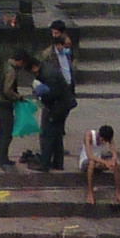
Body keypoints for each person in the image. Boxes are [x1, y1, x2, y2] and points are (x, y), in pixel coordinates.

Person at [33, 23, 76, 171]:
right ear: (59, 45)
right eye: (66, 46)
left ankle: (51, 161)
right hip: (55, 97)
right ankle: (51, 158)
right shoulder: (48, 56)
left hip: (62, 96)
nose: (68, 48)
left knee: (53, 131)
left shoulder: (68, 54)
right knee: (49, 130)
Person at [0, 47, 36, 169]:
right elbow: (7, 90)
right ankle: (2, 158)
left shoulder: (5, 65)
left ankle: (1, 157)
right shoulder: (11, 71)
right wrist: (18, 97)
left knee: (3, 131)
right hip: (4, 104)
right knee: (6, 132)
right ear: (20, 61)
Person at [82, 121, 120, 207]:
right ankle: (90, 193)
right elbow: (90, 155)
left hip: (98, 161)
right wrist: (105, 162)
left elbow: (114, 153)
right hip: (86, 161)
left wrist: (112, 161)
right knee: (92, 163)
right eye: (102, 140)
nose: (103, 142)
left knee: (117, 165)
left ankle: (118, 193)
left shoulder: (109, 138)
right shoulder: (89, 135)